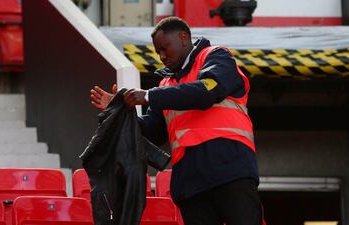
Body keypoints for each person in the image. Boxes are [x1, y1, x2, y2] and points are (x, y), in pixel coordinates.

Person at [90, 16, 262, 225]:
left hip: (230, 170)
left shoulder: (216, 57)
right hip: (191, 183)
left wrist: (148, 95)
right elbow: (153, 130)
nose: (161, 56)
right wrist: (117, 111)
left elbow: (207, 91)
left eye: (165, 48)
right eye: (158, 52)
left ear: (183, 37)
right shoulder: (165, 84)